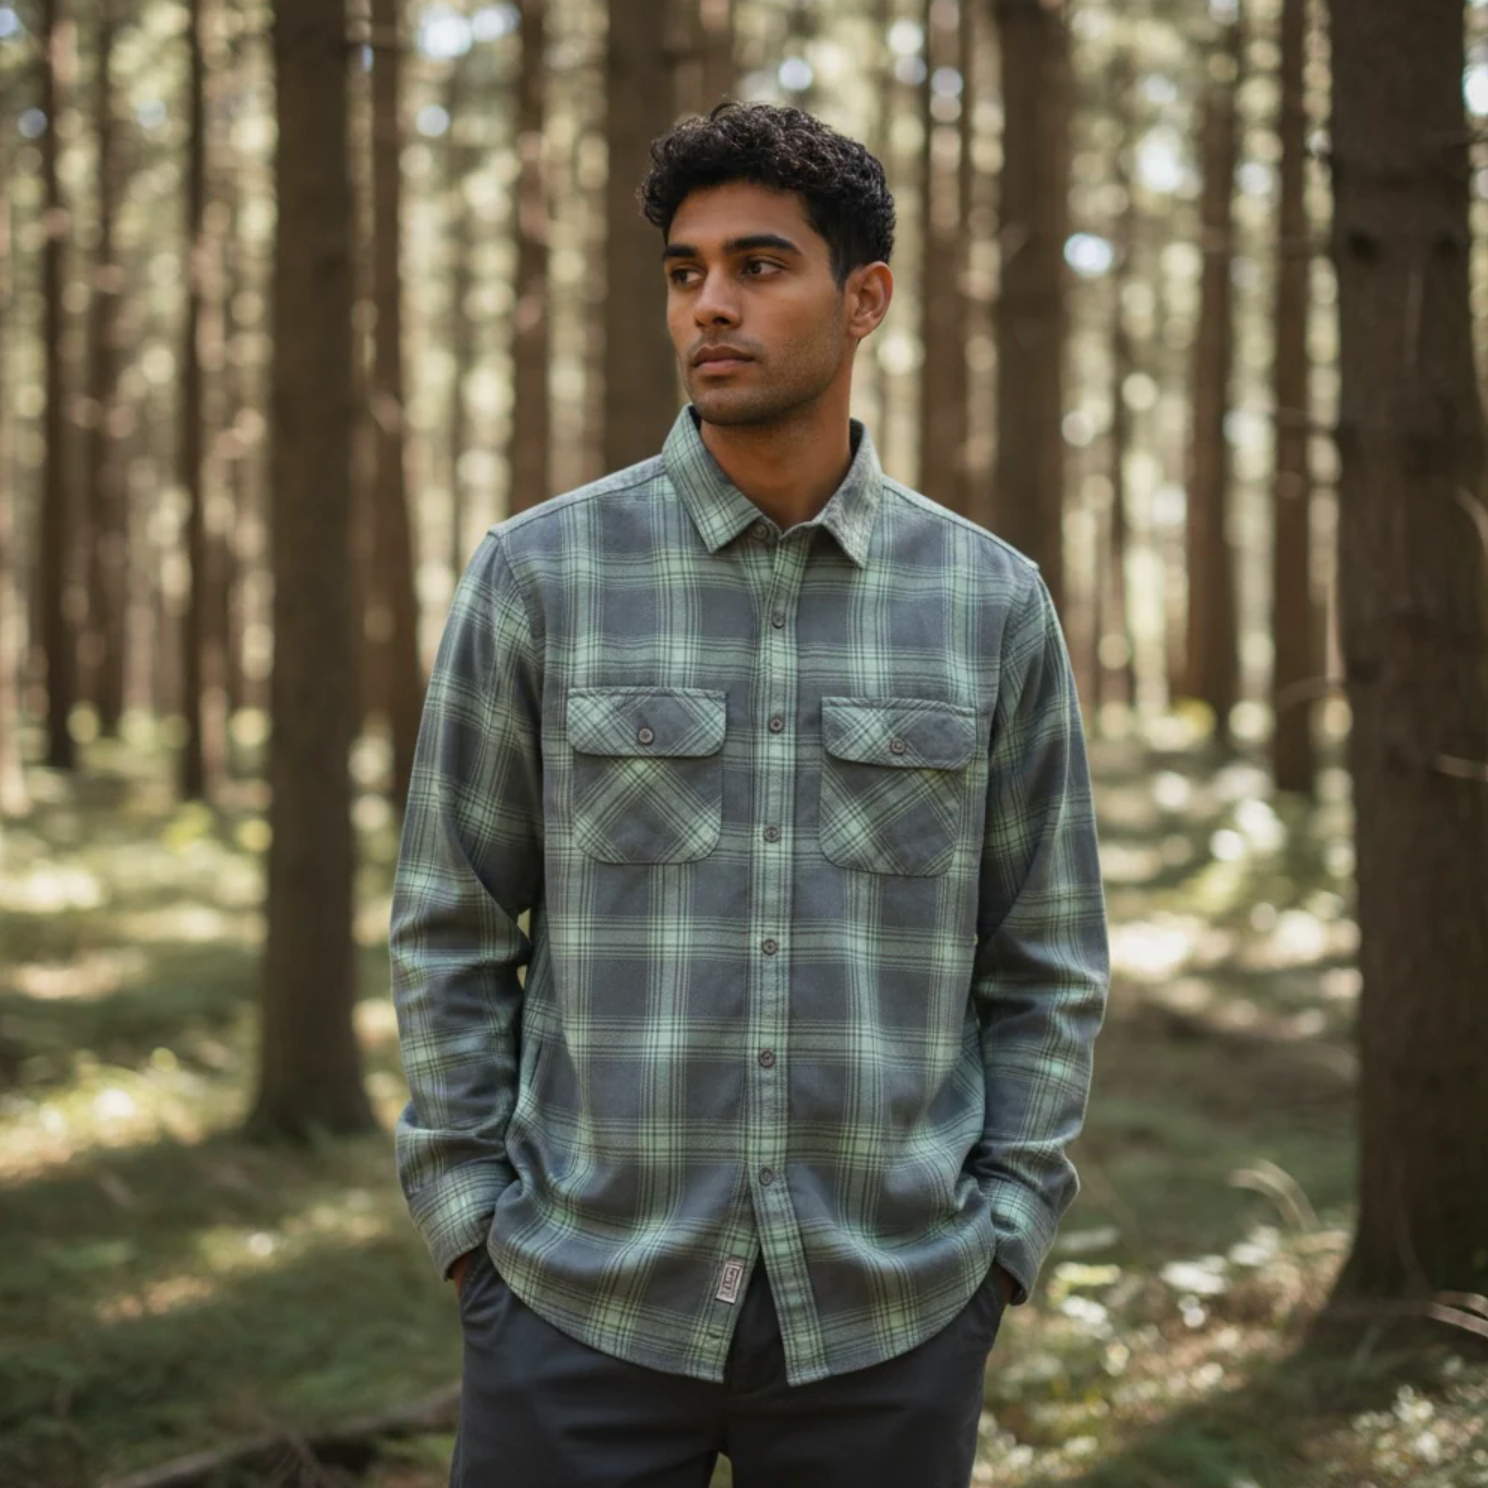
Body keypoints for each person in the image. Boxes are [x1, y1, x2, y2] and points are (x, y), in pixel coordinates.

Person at [390, 100, 1109, 1488]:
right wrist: (470, 1224)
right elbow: (452, 920)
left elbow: (1046, 953)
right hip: (573, 1307)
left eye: (760, 266)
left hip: (889, 1322)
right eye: (685, 271)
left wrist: (1002, 1240)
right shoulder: (539, 576)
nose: (711, 305)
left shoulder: (990, 603)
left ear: (865, 299)